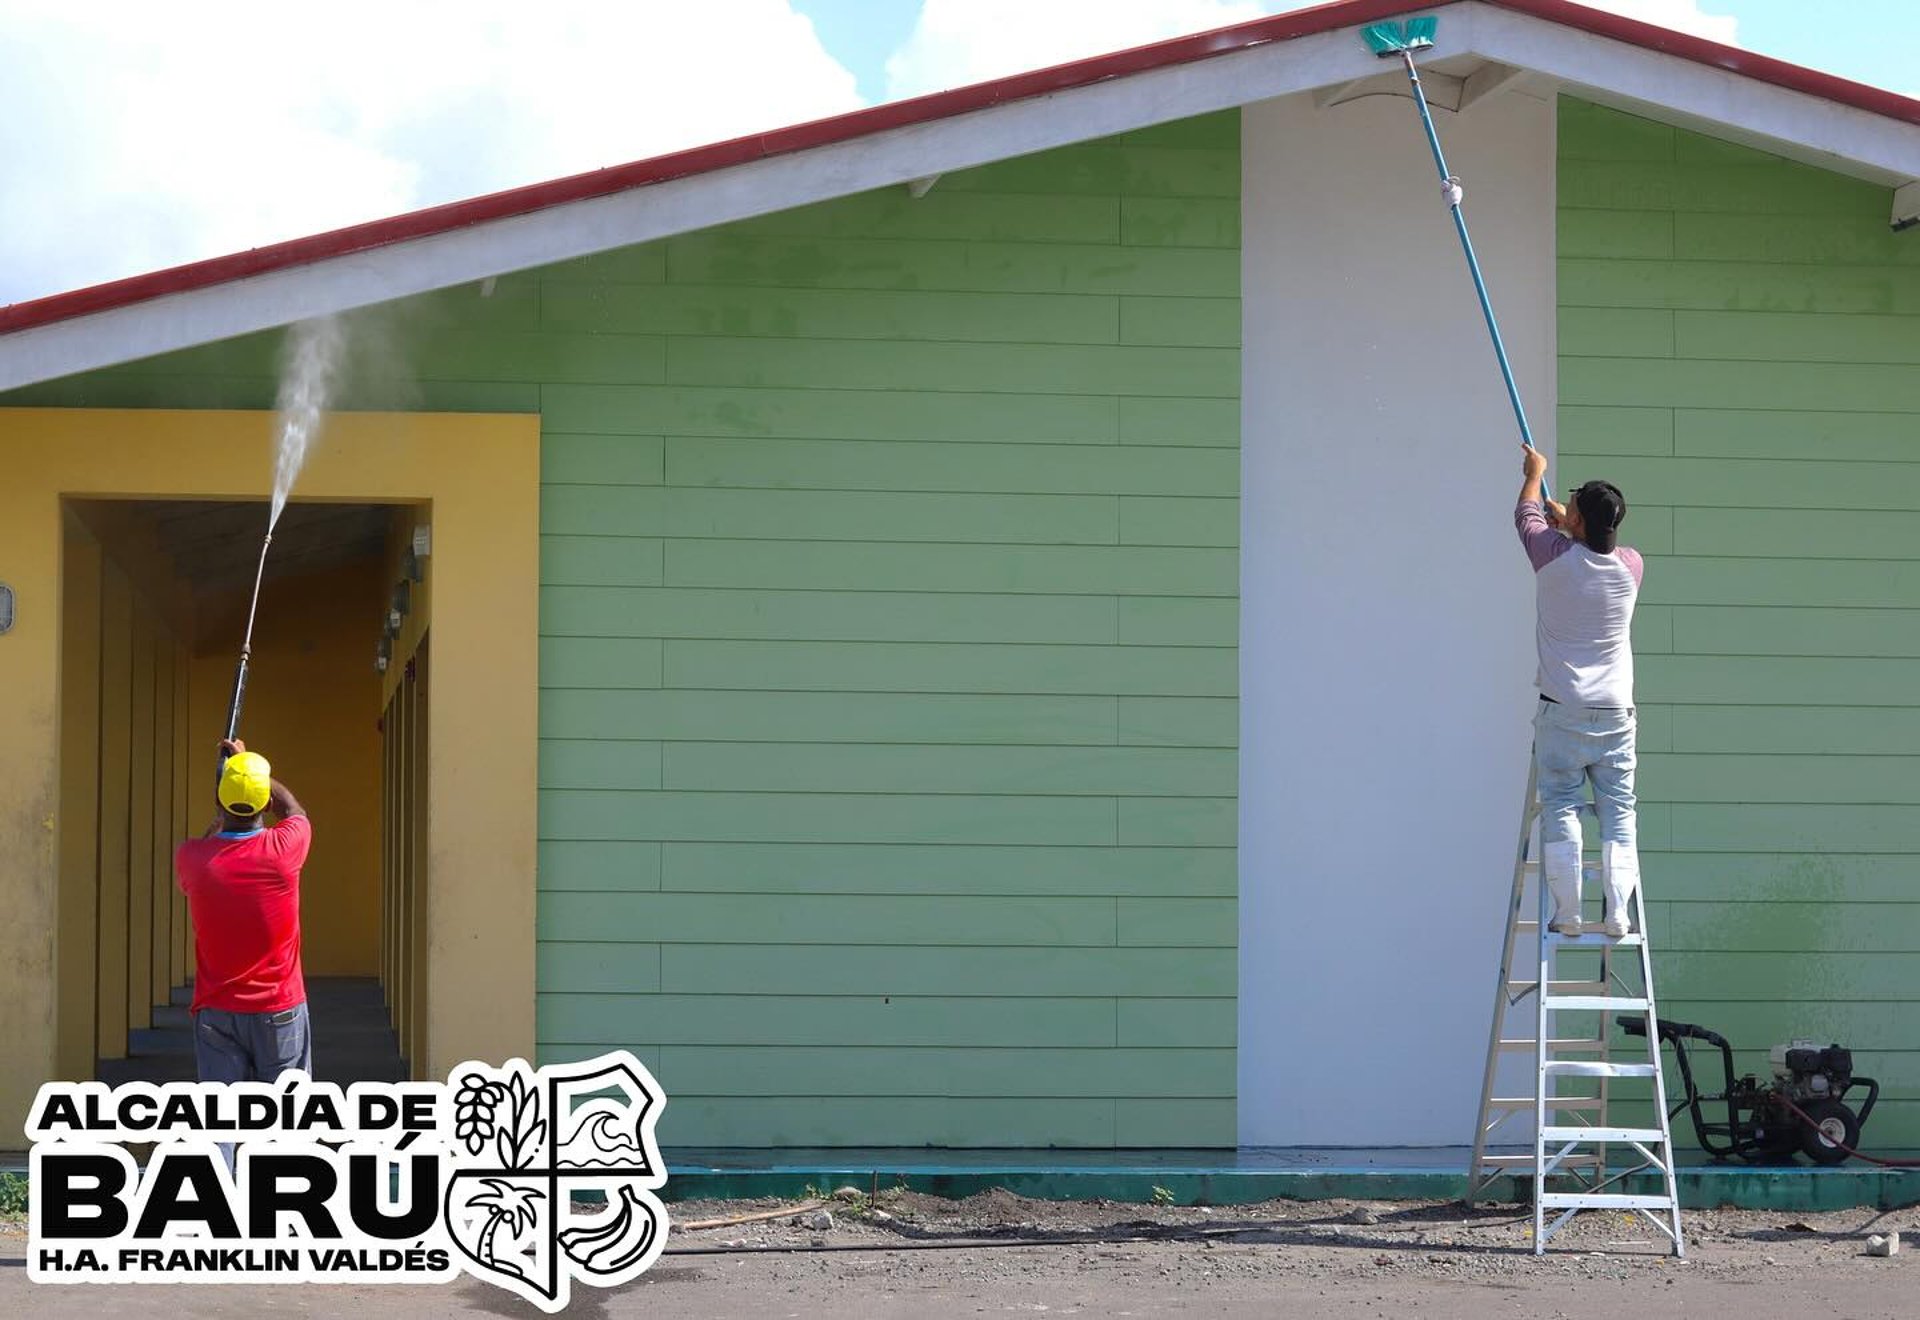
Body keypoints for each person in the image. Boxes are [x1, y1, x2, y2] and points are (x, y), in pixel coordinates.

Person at [1515, 448, 1642, 938]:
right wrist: (1568, 522)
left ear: (1581, 522)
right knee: (1618, 811)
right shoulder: (1632, 567)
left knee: (1562, 803)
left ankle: (1567, 912)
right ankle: (1617, 914)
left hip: (1563, 709)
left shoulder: (1552, 558)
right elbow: (1587, 543)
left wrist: (1535, 475)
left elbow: (1525, 514)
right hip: (1616, 713)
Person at [174, 738, 313, 1086]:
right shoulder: (284, 849)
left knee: (220, 1124)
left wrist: (232, 784)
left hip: (217, 1011)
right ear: (264, 801)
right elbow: (293, 810)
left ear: (220, 802)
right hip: (279, 1008)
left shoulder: (191, 859)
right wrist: (247, 766)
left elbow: (208, 843)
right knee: (287, 1126)